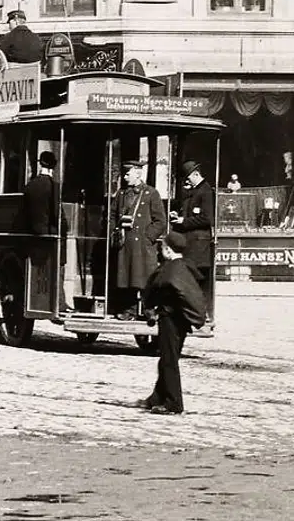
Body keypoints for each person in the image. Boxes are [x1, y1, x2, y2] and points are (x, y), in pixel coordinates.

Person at [137, 232, 207, 415]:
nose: (161, 251)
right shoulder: (186, 267)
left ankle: (174, 403)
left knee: (169, 361)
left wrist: (151, 305)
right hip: (182, 320)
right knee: (168, 358)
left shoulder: (170, 270)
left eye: (162, 248)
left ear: (168, 249)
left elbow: (155, 289)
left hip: (170, 319)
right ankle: (157, 397)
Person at [114, 161, 166, 319]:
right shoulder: (121, 194)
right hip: (125, 242)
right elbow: (111, 215)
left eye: (128, 174)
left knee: (146, 278)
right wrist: (114, 232)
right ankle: (128, 310)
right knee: (126, 278)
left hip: (143, 245)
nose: (125, 177)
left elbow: (160, 221)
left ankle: (149, 310)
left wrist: (148, 237)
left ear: (138, 173)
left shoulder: (151, 193)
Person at [170, 161, 215, 326]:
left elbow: (207, 218)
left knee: (198, 279)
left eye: (189, 178)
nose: (187, 181)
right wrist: (178, 215)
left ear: (196, 174)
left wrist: (184, 220)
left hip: (199, 244)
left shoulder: (205, 191)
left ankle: (200, 313)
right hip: (191, 242)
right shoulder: (194, 191)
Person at [22, 150, 60, 237]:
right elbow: (57, 213)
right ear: (53, 167)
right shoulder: (54, 187)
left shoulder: (30, 185)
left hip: (30, 233)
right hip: (48, 233)